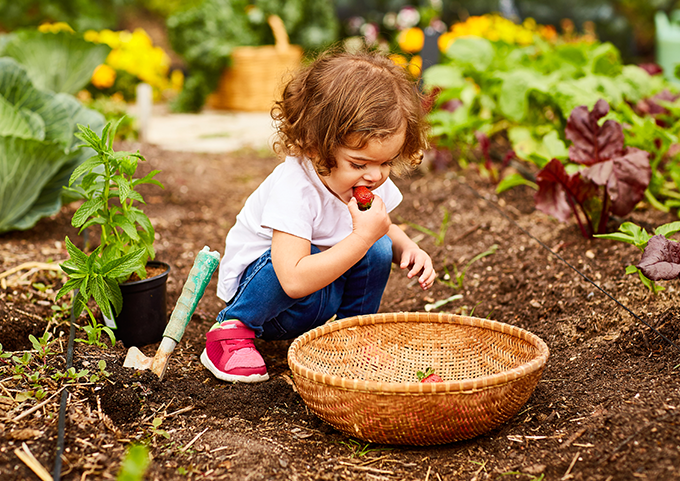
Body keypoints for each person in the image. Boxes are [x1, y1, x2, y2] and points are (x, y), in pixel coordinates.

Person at [201, 48, 437, 383]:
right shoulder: (294, 188)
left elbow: (378, 229)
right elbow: (293, 279)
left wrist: (406, 247)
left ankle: (352, 336)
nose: (376, 176)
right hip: (273, 305)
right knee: (328, 249)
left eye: (386, 162)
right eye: (359, 163)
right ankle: (232, 331)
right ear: (315, 147)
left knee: (380, 247)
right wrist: (363, 237)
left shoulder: (367, 179)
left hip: (321, 291)